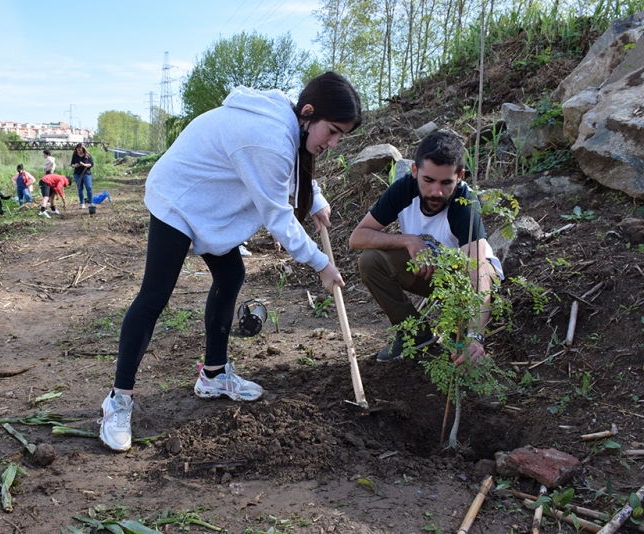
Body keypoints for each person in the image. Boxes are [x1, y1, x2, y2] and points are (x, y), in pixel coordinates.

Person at [98, 71, 362, 452]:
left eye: (342, 136)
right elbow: (279, 217)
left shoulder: (286, 121)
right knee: (154, 296)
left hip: (207, 201)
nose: (334, 143)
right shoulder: (270, 137)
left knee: (230, 274)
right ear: (308, 112)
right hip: (179, 197)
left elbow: (293, 165)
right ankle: (118, 399)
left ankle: (214, 375)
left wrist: (316, 198)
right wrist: (321, 263)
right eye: (333, 131)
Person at [349, 129, 503, 364]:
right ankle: (415, 334)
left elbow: (477, 272)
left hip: (467, 282)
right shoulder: (403, 190)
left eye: (446, 182)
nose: (436, 192)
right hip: (429, 274)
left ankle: (462, 336)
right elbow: (357, 238)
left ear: (460, 176)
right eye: (428, 180)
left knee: (460, 350)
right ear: (414, 171)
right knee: (371, 262)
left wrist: (475, 336)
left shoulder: (464, 204)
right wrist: (409, 240)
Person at [70, 143, 94, 209]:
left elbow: (91, 164)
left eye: (80, 150)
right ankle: (82, 203)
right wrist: (75, 165)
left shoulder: (88, 155)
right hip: (77, 173)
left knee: (89, 188)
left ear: (83, 149)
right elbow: (72, 164)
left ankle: (91, 202)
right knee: (80, 188)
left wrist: (84, 164)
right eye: (77, 150)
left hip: (86, 173)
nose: (79, 151)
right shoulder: (75, 155)